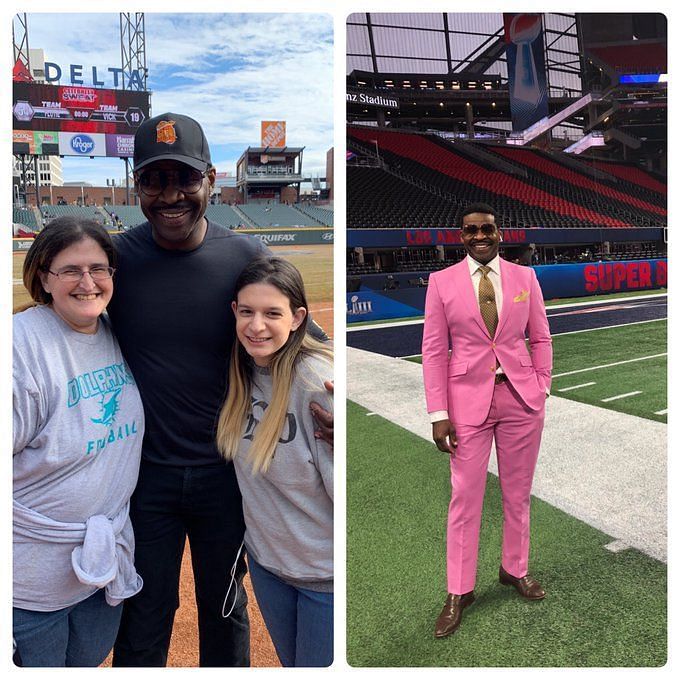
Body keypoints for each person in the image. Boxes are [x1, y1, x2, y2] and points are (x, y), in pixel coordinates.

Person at [108, 112, 331, 667]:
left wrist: (334, 396)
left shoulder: (244, 256)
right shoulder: (120, 261)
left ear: (209, 178)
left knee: (225, 612)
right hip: (146, 477)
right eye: (154, 180)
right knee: (145, 611)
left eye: (183, 178)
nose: (170, 195)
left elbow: (303, 335)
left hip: (227, 473)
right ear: (137, 185)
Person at [13, 217, 145, 666]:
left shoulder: (114, 331)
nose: (87, 282)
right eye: (70, 270)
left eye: (99, 268)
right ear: (43, 278)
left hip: (98, 568)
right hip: (26, 583)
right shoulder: (19, 347)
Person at [421, 202, 552, 639]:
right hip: (466, 405)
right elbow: (435, 351)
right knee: (465, 498)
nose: (480, 236)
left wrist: (543, 385)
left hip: (521, 400)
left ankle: (514, 569)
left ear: (500, 232)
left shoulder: (524, 277)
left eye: (487, 229)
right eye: (471, 230)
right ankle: (459, 590)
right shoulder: (441, 283)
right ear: (461, 236)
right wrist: (439, 414)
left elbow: (541, 336)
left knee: (518, 494)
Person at [216, 257, 333, 667]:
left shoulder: (316, 385)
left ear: (298, 317)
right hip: (269, 569)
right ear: (234, 312)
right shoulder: (239, 374)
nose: (256, 325)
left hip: (327, 579)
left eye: (272, 313)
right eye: (246, 311)